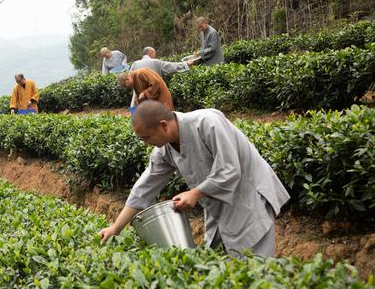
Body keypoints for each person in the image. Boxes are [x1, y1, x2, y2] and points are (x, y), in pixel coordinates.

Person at [99, 101, 290, 258]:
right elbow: (144, 189)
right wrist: (115, 228)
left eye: (146, 137)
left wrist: (195, 193)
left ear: (163, 125)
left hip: (248, 199)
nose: (146, 143)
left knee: (256, 266)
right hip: (218, 205)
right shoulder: (164, 150)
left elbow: (230, 169)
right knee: (217, 262)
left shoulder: (208, 122)